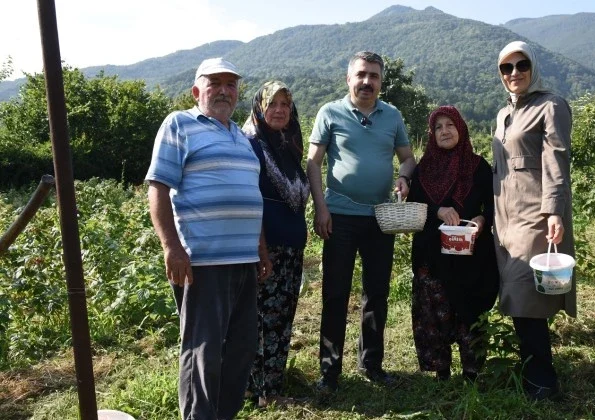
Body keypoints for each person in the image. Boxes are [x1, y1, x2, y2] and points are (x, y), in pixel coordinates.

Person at [146, 57, 272, 420]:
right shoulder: (179, 124)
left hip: (243, 261)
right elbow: (157, 187)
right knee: (203, 352)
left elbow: (250, 195)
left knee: (241, 349)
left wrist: (260, 248)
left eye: (230, 84)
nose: (223, 90)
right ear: (196, 90)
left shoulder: (242, 138)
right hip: (202, 262)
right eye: (214, 83)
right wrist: (171, 247)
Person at [306, 51, 416, 393]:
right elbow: (313, 164)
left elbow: (409, 158)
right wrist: (320, 208)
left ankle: (372, 364)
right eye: (362, 74)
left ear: (381, 82)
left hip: (381, 218)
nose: (367, 81)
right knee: (335, 294)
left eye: (374, 76)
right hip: (338, 217)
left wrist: (404, 177)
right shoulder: (330, 113)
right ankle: (330, 371)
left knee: (377, 295)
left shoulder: (392, 115)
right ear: (348, 78)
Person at [492, 41, 576, 401]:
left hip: (534, 213)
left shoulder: (551, 105)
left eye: (521, 65)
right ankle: (529, 366)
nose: (514, 73)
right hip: (503, 216)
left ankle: (542, 380)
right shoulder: (503, 114)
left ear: (533, 67)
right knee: (517, 292)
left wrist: (554, 209)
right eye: (506, 68)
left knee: (525, 291)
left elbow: (557, 160)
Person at [407, 105, 499, 382]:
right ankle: (441, 372)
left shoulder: (478, 166)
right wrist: (438, 210)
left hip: (471, 252)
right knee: (434, 311)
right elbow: (414, 204)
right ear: (432, 133)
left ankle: (472, 371)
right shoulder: (424, 169)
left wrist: (483, 219)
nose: (444, 131)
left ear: (461, 128)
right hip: (432, 253)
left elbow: (494, 203)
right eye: (438, 127)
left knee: (470, 308)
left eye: (450, 125)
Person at [241, 80, 310, 408]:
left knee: (281, 320)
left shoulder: (288, 146)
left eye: (285, 105)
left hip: (292, 250)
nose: (280, 110)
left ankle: (273, 386)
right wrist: (261, 248)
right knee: (262, 319)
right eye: (273, 104)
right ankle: (259, 392)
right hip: (266, 251)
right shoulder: (252, 147)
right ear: (259, 108)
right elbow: (249, 200)